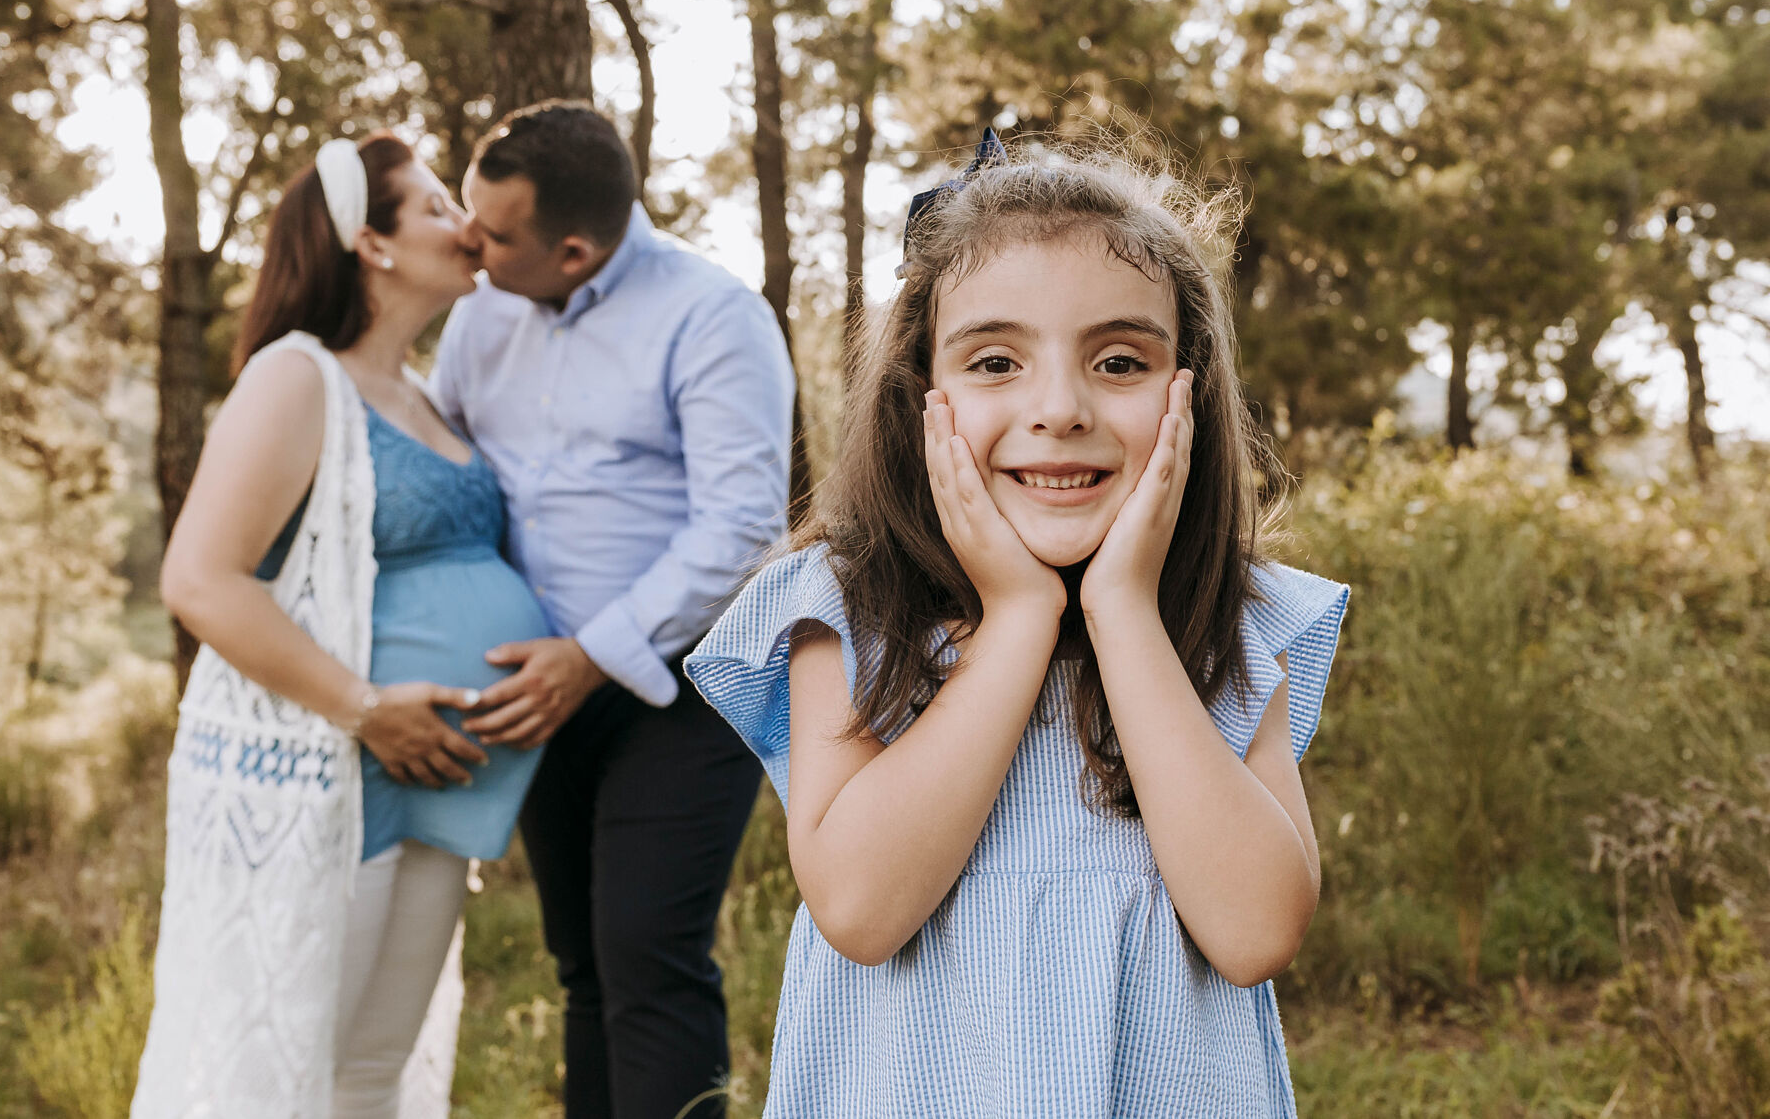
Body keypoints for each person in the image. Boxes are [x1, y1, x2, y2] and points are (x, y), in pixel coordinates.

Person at [685, 132, 1352, 1117]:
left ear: (1191, 392)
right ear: (923, 394)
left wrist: (1121, 609)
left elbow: (1253, 929)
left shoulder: (1228, 627)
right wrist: (1017, 619)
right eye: (995, 359)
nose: (1058, 407)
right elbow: (862, 909)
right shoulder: (843, 607)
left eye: (1119, 360)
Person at [134, 133, 555, 1119]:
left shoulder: (418, 391)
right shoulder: (295, 377)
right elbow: (199, 578)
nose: (468, 227)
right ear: (368, 240)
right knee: (290, 1078)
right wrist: (366, 709)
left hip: (436, 783)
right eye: (437, 206)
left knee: (370, 1072)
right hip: (339, 773)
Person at [431, 101, 795, 1118]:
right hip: (533, 688)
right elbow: (446, 464)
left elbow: (737, 526)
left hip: (681, 689)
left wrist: (589, 656)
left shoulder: (713, 317)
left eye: (495, 234)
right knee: (581, 960)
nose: (472, 243)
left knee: (649, 952)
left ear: (576, 248)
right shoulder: (476, 316)